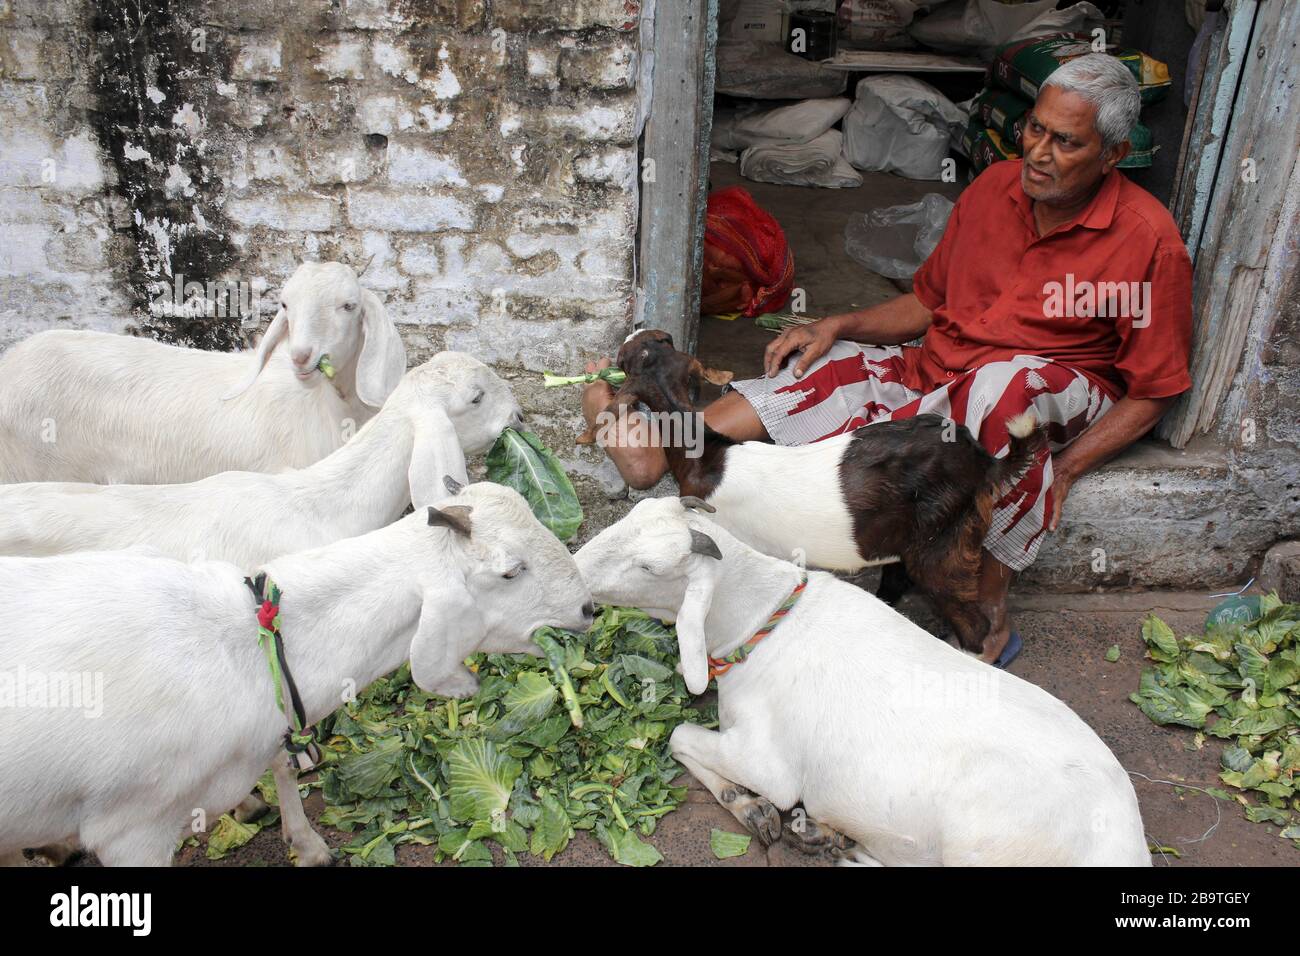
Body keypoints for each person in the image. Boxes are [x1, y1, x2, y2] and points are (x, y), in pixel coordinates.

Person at [582, 54, 1193, 666]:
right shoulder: (993, 189)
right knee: (805, 374)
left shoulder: (1147, 240)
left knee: (1000, 390)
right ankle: (634, 426)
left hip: (1038, 389)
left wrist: (1066, 468)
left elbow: (1155, 390)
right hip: (933, 372)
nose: (1037, 152)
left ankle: (985, 605)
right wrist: (837, 326)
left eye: (1066, 142)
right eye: (1035, 128)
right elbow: (928, 302)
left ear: (1112, 154)